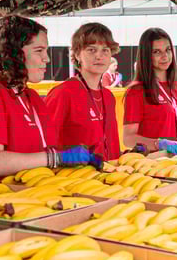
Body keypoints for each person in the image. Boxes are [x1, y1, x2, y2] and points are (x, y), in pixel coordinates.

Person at [0, 15, 96, 185]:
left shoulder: (31, 97)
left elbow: (41, 153)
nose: (46, 58)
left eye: (46, 50)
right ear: (12, 52)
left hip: (37, 198)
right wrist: (57, 157)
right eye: (39, 51)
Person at [45, 23, 121, 161]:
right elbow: (43, 143)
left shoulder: (109, 97)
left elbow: (111, 144)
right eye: (91, 50)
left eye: (105, 50)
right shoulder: (63, 93)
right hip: (74, 178)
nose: (99, 56)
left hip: (109, 177)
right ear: (77, 55)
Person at [123, 28, 177, 154]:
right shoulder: (137, 91)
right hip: (153, 165)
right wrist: (158, 143)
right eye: (156, 52)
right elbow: (128, 138)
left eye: (168, 50)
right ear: (146, 56)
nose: (165, 56)